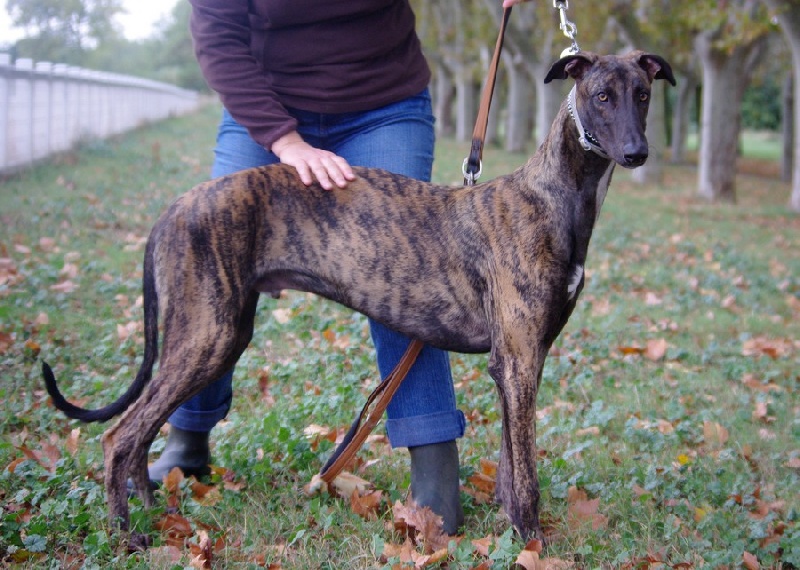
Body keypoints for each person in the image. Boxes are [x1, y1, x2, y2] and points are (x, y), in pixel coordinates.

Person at [149, 0, 528, 535]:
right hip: (265, 101)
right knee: (218, 271)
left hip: (383, 105)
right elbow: (218, 36)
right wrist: (284, 141)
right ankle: (187, 439)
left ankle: (435, 469)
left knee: (407, 278)